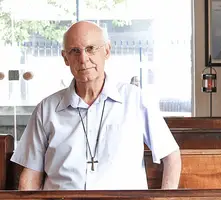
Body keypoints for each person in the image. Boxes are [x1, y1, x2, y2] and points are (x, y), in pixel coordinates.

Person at [10, 21, 181, 190]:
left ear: (107, 51)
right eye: (75, 51)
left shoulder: (136, 99)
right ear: (65, 58)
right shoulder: (46, 109)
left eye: (91, 48)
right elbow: (30, 176)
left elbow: (171, 156)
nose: (83, 59)